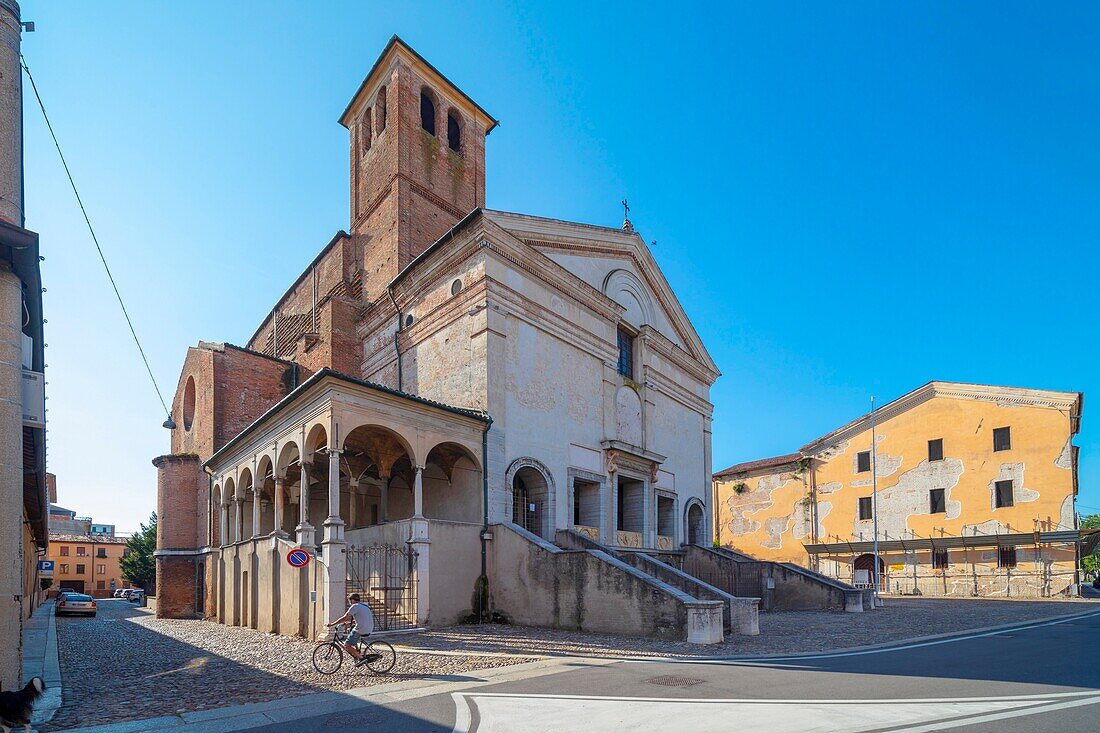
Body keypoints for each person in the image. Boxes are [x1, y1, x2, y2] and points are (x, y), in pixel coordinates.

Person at [327, 594, 379, 667]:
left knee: (346, 645)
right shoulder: (364, 605)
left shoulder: (355, 606)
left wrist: (332, 624)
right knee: (352, 630)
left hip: (361, 629)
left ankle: (361, 658)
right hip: (369, 628)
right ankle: (357, 651)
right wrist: (349, 623)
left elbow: (345, 618)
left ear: (352, 600)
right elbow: (362, 618)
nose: (349, 602)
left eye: (349, 600)